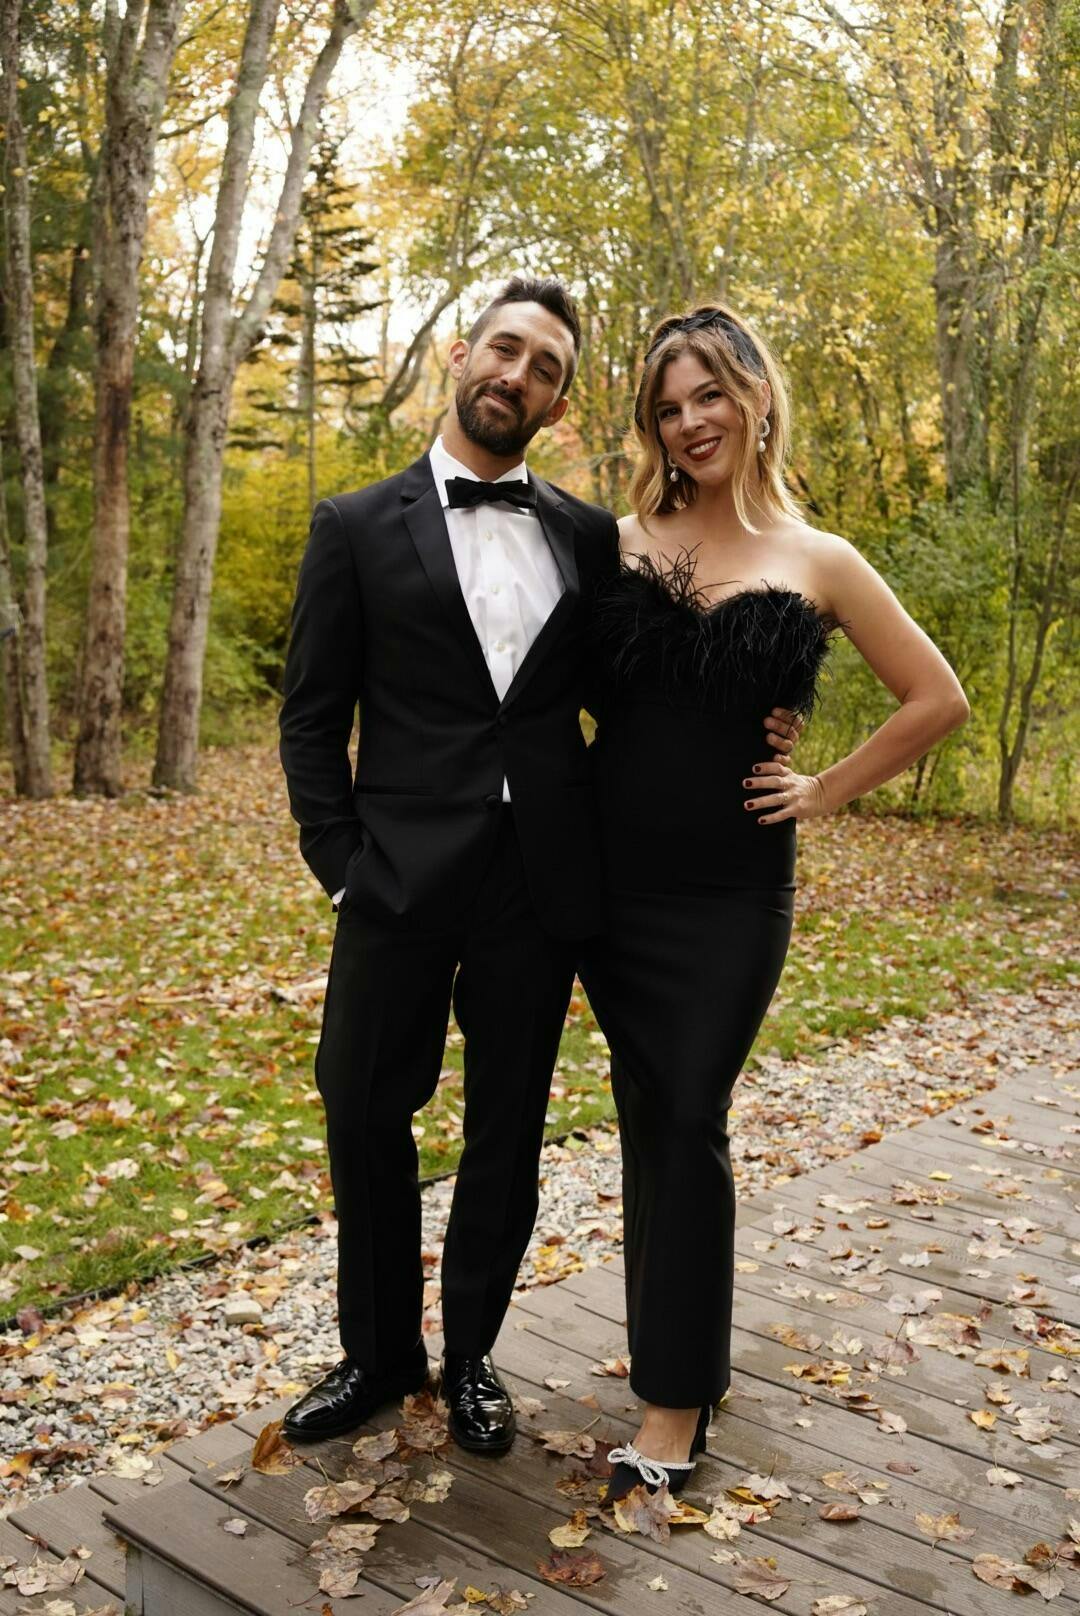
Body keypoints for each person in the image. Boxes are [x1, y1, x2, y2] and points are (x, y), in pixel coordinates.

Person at [277, 274, 804, 1455]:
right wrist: (343, 866)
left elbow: (660, 671)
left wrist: (768, 710)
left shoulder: (589, 535)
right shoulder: (353, 525)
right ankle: (377, 1353)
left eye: (547, 368)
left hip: (542, 880)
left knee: (506, 1128)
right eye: (506, 350)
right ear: (460, 355)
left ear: (560, 403)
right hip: (394, 878)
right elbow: (309, 720)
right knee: (364, 1107)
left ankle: (472, 1357)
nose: (519, 375)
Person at [576, 303, 970, 1504]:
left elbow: (936, 697)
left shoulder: (822, 558)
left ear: (754, 396)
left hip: (733, 889)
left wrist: (823, 786)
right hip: (611, 875)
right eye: (668, 407)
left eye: (709, 395)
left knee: (690, 1105)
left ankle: (673, 1404)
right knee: (649, 1112)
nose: (690, 422)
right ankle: (679, 1352)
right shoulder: (614, 541)